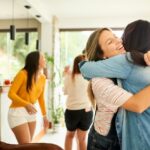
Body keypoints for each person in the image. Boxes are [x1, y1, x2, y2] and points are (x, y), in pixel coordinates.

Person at [79, 19, 150, 150]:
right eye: (110, 42)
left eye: (116, 36)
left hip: (122, 139)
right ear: (102, 55)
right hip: (103, 143)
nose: (118, 41)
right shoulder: (100, 81)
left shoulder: (130, 65)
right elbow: (137, 104)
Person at [8, 51, 49, 144]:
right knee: (25, 145)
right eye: (43, 58)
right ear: (36, 61)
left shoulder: (43, 78)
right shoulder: (23, 74)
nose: (45, 59)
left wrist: (44, 116)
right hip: (17, 112)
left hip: (31, 112)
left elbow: (41, 98)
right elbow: (11, 93)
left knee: (28, 145)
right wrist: (26, 104)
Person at [63, 54, 93, 150]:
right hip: (86, 111)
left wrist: (65, 74)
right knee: (82, 139)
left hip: (72, 111)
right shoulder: (90, 78)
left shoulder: (69, 77)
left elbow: (65, 92)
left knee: (69, 136)